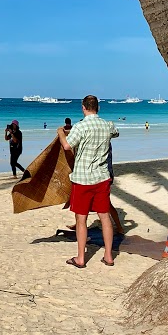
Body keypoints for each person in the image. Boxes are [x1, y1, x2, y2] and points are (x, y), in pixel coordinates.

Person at [60, 95, 121, 268]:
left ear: (83, 107)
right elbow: (116, 132)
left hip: (82, 178)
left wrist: (60, 133)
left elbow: (67, 146)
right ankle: (108, 256)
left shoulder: (80, 126)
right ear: (98, 108)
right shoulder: (107, 125)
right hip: (102, 177)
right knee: (105, 217)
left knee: (81, 219)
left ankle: (81, 258)